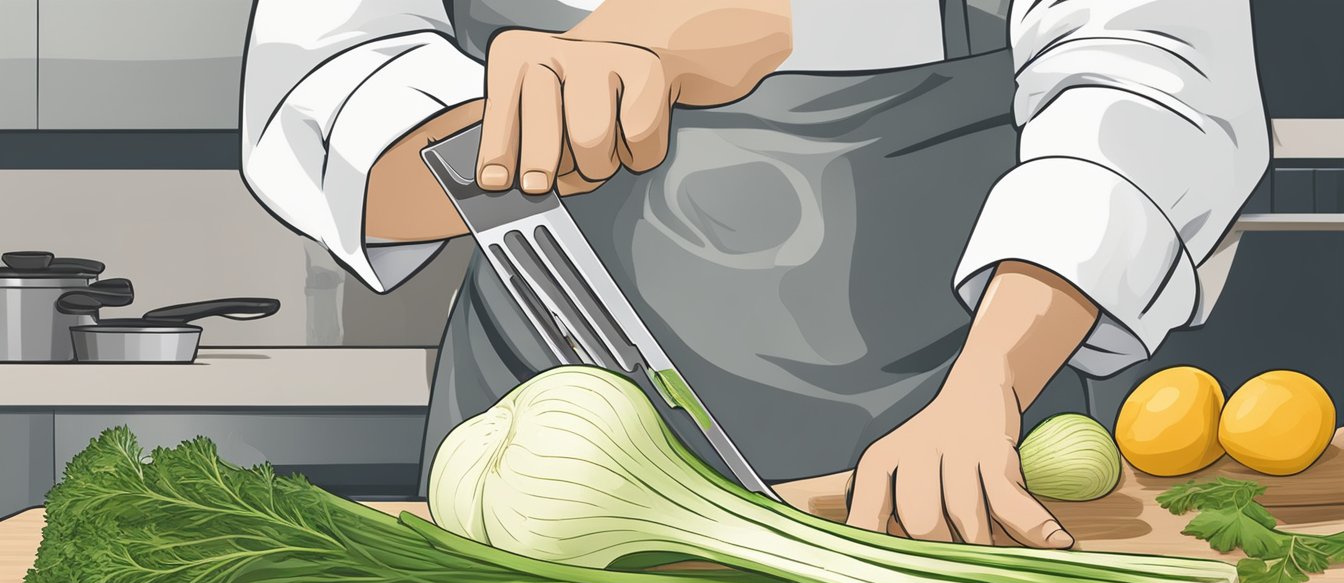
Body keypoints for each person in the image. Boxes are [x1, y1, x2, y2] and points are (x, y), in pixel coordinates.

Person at [241, 1, 1268, 549]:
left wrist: (989, 385)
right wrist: (509, 126)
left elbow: (1150, 85)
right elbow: (326, 92)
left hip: (945, 466)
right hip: (546, 494)